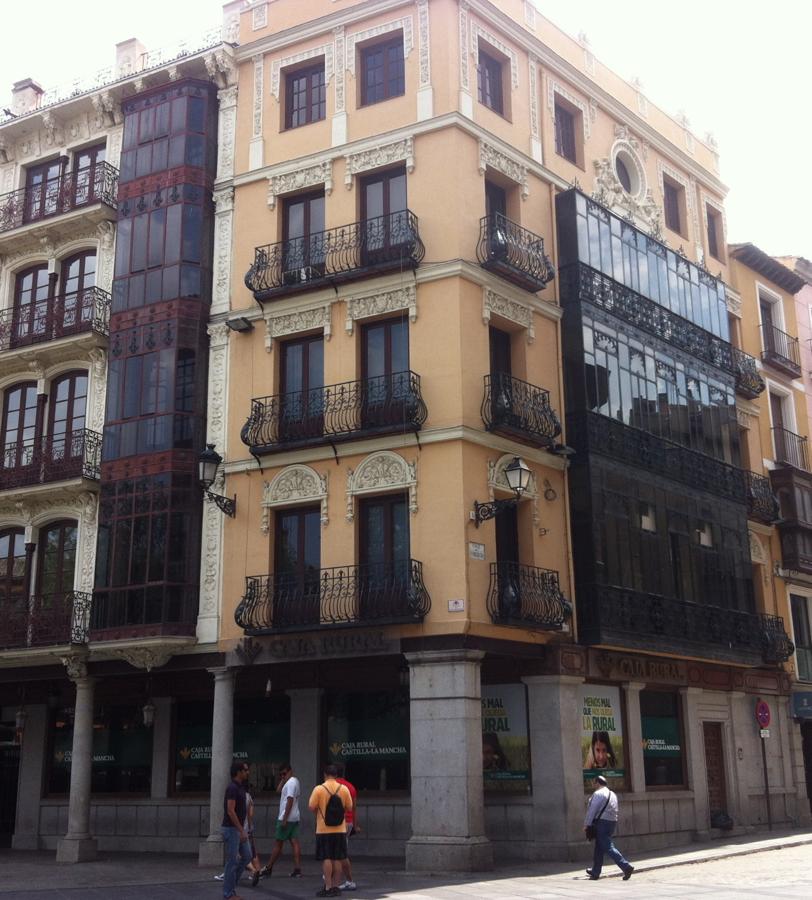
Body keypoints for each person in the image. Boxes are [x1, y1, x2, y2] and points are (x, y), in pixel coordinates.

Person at [252, 763, 302, 885]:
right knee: (294, 842)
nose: (283, 776)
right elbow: (278, 790)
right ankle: (297, 869)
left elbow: (290, 800)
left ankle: (268, 868)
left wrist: (284, 819)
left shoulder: (290, 783)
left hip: (286, 817)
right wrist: (282, 779)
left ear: (290, 771)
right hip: (294, 817)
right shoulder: (294, 781)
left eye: (284, 773)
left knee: (278, 844)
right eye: (281, 774)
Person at [308, 764, 353, 898]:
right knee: (337, 858)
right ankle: (336, 887)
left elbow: (311, 806)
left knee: (326, 857)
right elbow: (349, 807)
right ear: (336, 775)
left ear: (325, 775)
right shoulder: (344, 789)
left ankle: (327, 887)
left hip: (323, 829)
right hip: (340, 829)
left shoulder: (319, 789)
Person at [584, 774, 634, 881]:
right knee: (599, 846)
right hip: (611, 822)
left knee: (607, 846)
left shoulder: (598, 794)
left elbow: (591, 811)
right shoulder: (612, 794)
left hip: (601, 823)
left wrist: (587, 824)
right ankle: (595, 871)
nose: (594, 785)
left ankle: (626, 866)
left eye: (594, 783)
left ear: (597, 783)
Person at [221, 760, 253, 900]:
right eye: (245, 770)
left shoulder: (241, 787)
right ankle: (228, 893)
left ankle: (231, 885)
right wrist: (241, 830)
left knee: (247, 856)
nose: (248, 772)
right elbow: (230, 810)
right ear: (238, 772)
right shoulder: (232, 788)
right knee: (232, 861)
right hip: (231, 829)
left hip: (238, 828)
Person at [216, 782, 258, 884]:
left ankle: (233, 876)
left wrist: (242, 829)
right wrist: (249, 827)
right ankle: (255, 870)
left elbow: (232, 811)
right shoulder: (247, 797)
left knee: (240, 855)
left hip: (239, 829)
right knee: (248, 853)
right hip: (243, 828)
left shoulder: (241, 795)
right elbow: (250, 814)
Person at [335, 766, 359, 891]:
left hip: (337, 823)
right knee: (340, 851)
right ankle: (338, 879)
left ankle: (347, 880)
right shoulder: (350, 787)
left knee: (340, 853)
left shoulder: (332, 787)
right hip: (348, 822)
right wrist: (355, 825)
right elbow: (354, 808)